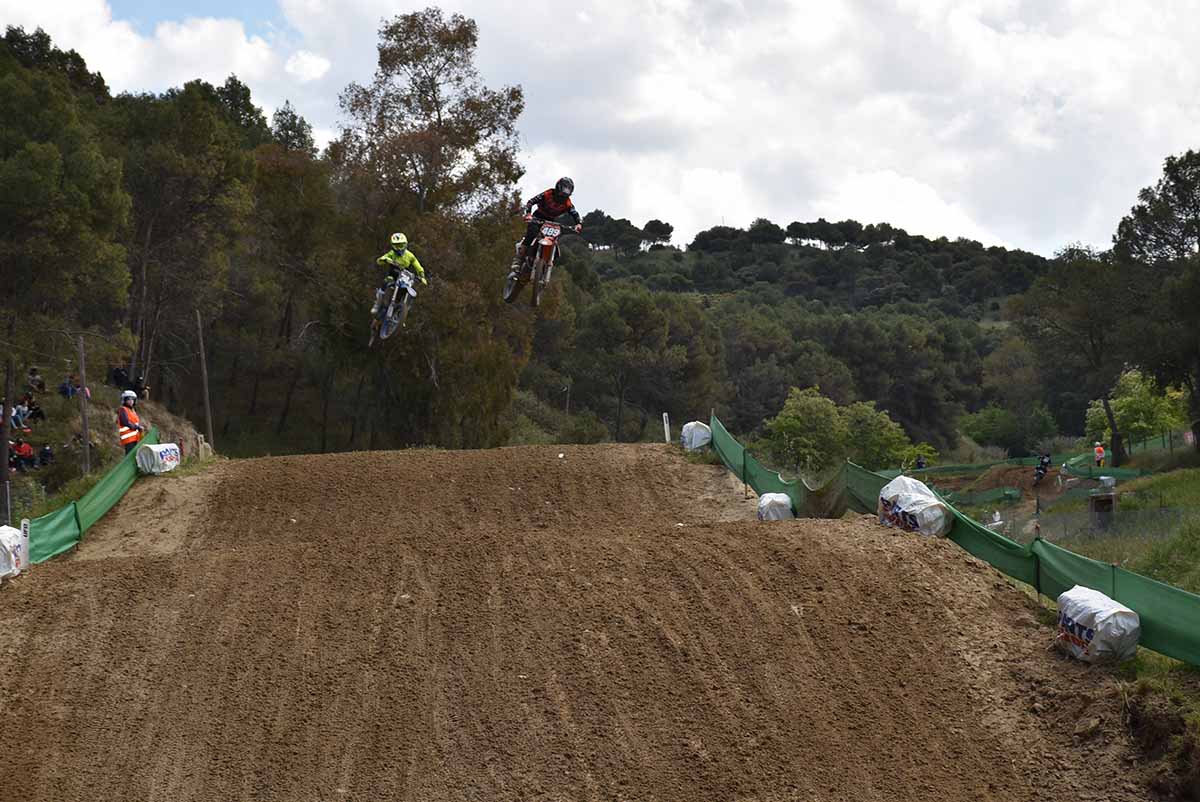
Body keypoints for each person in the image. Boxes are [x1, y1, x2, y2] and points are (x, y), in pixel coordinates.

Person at [510, 177, 582, 273]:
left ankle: (545, 263)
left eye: (568, 190)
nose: (564, 193)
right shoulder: (548, 194)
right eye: (564, 189)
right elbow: (531, 202)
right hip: (537, 217)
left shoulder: (567, 203)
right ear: (558, 187)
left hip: (551, 222)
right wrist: (528, 214)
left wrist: (578, 223)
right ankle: (518, 260)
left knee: (554, 240)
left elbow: (574, 213)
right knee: (531, 235)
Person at [372, 232, 427, 315]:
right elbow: (381, 259)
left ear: (405, 244)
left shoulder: (410, 255)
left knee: (408, 289)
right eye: (396, 246)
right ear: (392, 246)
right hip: (393, 274)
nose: (399, 248)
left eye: (401, 245)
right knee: (386, 281)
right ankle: (377, 303)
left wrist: (421, 275)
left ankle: (402, 312)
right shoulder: (392, 253)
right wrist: (384, 259)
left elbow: (417, 265)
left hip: (404, 276)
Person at [117, 389, 147, 454]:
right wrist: (137, 427)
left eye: (132, 399)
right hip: (128, 439)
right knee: (130, 457)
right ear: (124, 400)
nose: (131, 401)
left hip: (135, 438)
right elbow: (125, 422)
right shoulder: (123, 409)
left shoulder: (132, 411)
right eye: (128, 399)